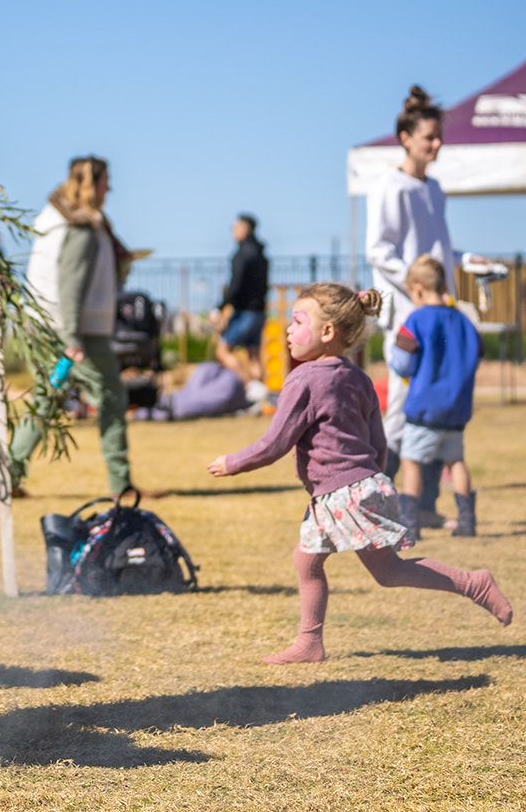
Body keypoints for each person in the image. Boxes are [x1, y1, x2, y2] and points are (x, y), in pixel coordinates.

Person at [208, 283, 510, 665]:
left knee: (358, 568)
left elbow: (274, 443)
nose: (287, 329)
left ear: (328, 332)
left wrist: (232, 463)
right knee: (329, 564)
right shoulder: (358, 377)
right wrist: (374, 482)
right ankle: (312, 642)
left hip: (342, 493)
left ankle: (471, 584)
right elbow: (378, 441)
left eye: (297, 321)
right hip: (358, 487)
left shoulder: (303, 380)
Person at [364, 85, 498, 518]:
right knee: (406, 408)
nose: (437, 145)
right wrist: (417, 288)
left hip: (442, 313)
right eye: (429, 138)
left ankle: (422, 504)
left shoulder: (434, 189)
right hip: (409, 315)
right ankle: (388, 502)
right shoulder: (390, 186)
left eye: (439, 137)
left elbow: (439, 251)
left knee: (438, 407)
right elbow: (379, 251)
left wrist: (467, 261)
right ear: (406, 138)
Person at [26, 156, 135, 496]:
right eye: (105, 182)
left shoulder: (71, 222)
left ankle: (9, 474)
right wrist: (71, 338)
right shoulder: (83, 230)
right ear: (93, 184)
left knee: (47, 400)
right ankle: (122, 485)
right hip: (79, 331)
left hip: (57, 326)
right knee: (112, 399)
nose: (110, 188)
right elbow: (70, 285)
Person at [388, 256, 482, 539]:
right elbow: (476, 355)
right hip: (457, 408)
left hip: (424, 408)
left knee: (412, 461)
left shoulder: (416, 320)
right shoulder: (465, 320)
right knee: (456, 461)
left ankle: (411, 523)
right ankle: (467, 521)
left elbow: (403, 363)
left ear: (416, 289)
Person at [211, 213, 269, 398]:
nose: (232, 232)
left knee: (223, 351)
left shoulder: (241, 254)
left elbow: (235, 284)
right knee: (254, 354)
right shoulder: (261, 254)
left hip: (245, 312)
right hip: (260, 311)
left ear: (244, 229)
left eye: (235, 228)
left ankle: (251, 385)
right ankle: (261, 397)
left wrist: (220, 308)